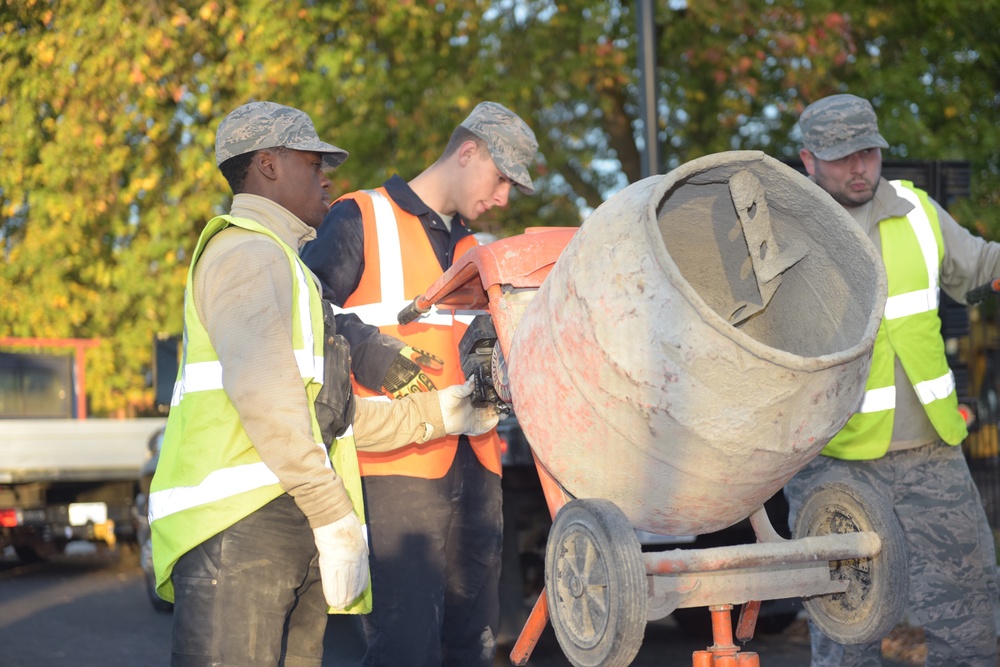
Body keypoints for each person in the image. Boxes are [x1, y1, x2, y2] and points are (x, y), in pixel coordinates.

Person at [148, 100, 498, 667]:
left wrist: (442, 413)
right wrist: (334, 515)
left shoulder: (289, 271)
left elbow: (328, 419)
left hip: (282, 522)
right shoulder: (246, 255)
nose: (327, 176)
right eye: (313, 164)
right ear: (267, 165)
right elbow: (269, 406)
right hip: (238, 531)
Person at [301, 100, 538, 667]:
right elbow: (302, 310)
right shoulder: (360, 216)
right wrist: (371, 353)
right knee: (404, 649)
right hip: (395, 473)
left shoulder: (478, 253)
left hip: (478, 469)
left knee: (474, 645)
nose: (503, 198)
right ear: (468, 151)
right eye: (501, 179)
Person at [783, 93, 1000, 667]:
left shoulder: (918, 212)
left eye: (868, 152)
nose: (860, 167)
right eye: (842, 156)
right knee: (847, 638)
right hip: (834, 465)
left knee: (972, 624)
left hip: (933, 457)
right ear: (808, 160)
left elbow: (984, 267)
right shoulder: (783, 236)